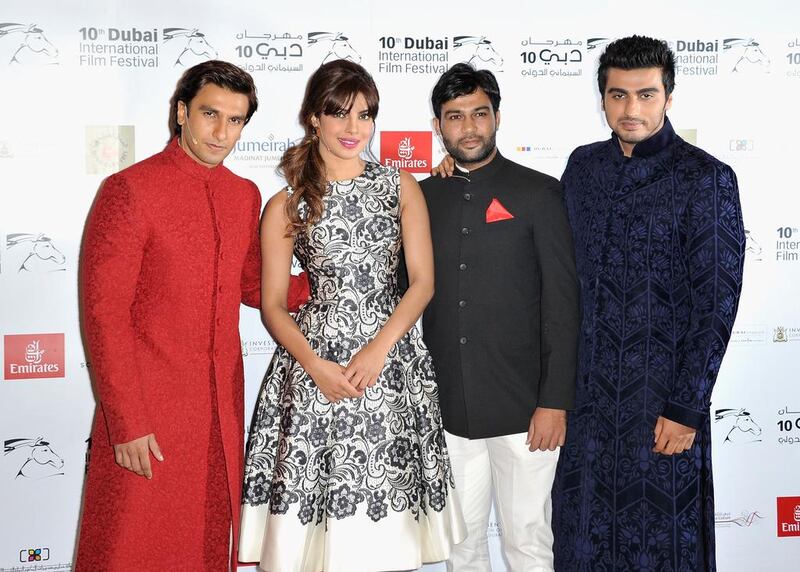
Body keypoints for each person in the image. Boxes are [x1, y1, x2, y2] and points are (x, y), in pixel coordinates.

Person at [76, 60, 309, 571]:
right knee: (128, 550)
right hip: (148, 415)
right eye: (209, 114)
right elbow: (104, 314)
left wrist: (329, 282)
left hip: (218, 419)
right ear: (181, 112)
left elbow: (254, 284)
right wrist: (127, 421)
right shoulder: (129, 190)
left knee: (205, 550)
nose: (221, 132)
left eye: (235, 120)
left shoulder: (242, 194)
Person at [239, 59, 465, 572]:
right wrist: (315, 366)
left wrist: (377, 348)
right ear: (314, 118)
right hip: (313, 365)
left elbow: (423, 282)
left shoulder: (399, 186)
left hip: (389, 365)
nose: (353, 128)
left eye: (365, 115)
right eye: (338, 113)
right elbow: (273, 305)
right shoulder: (287, 203)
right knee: (312, 536)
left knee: (389, 534)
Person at [550, 36, 745, 571]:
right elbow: (545, 253)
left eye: (646, 94)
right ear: (602, 98)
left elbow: (717, 304)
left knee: (664, 550)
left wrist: (686, 407)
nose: (631, 109)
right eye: (617, 95)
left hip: (659, 406)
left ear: (668, 97)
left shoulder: (705, 178)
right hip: (586, 408)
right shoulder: (583, 168)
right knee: (581, 544)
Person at [420, 63, 580, 571]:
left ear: (497, 117)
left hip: (526, 409)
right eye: (454, 116)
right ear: (438, 125)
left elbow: (562, 302)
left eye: (479, 114)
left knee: (527, 541)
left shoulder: (538, 192)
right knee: (461, 549)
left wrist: (554, 401)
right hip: (447, 410)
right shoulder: (421, 198)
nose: (468, 127)